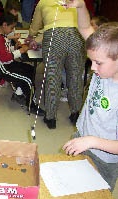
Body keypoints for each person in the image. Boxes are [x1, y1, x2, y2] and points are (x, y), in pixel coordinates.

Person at [62, 0, 118, 191]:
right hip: (82, 138)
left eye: (98, 63)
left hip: (104, 159)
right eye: (91, 61)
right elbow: (84, 26)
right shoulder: (105, 58)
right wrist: (80, 6)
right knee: (71, 187)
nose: (93, 68)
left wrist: (92, 141)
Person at [25, 0, 86, 129]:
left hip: (54, 37)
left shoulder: (43, 2)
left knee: (52, 77)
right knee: (75, 76)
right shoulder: (74, 1)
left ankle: (51, 118)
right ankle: (75, 114)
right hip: (76, 35)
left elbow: (35, 26)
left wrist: (30, 36)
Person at [0, 12, 44, 115]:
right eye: (11, 28)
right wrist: (21, 51)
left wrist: (14, 48)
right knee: (27, 80)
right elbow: (4, 57)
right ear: (4, 25)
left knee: (30, 69)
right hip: (2, 67)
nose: (12, 31)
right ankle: (31, 105)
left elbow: (4, 50)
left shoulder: (1, 35)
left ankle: (18, 94)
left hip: (7, 63)